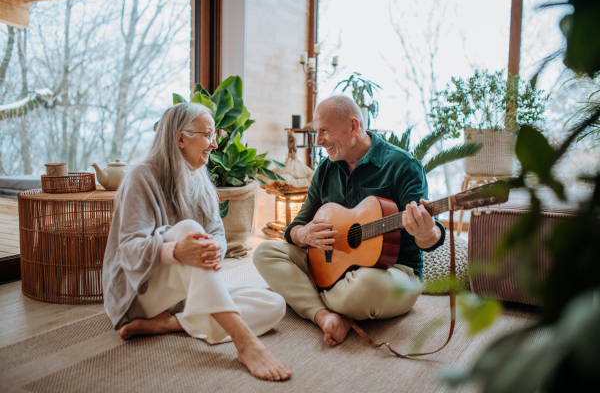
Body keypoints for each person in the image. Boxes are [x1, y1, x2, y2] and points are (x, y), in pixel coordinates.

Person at [103, 103, 291, 381]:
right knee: (189, 229)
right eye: (207, 135)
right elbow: (129, 249)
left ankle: (169, 324)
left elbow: (217, 233)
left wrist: (215, 248)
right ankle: (246, 344)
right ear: (181, 139)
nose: (214, 144)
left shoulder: (201, 181)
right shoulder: (141, 176)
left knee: (274, 304)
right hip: (139, 290)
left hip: (183, 297)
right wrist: (176, 251)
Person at [253, 95, 446, 347]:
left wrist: (427, 232)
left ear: (353, 126)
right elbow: (295, 227)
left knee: (363, 286)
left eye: (325, 131)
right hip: (332, 266)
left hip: (393, 274)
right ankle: (324, 314)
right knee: (265, 252)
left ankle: (302, 296)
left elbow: (428, 238)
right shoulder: (325, 169)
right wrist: (304, 235)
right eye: (316, 132)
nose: (319, 140)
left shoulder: (403, 166)